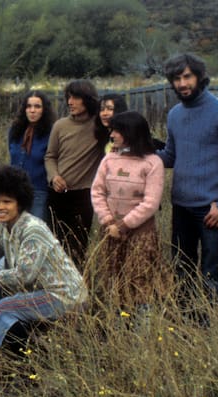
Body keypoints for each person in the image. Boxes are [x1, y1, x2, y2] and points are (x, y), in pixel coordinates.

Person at [158, 53, 218, 304]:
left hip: (210, 209)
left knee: (212, 271)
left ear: (199, 76)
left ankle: (209, 323)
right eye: (176, 79)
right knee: (182, 268)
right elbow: (170, 156)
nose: (182, 84)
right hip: (180, 205)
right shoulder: (175, 114)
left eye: (187, 76)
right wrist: (135, 154)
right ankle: (185, 320)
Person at [0, 166, 86, 353]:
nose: (0, 207)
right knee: (1, 303)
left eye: (7, 202)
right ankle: (24, 355)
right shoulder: (4, 227)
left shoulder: (32, 229)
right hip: (40, 293)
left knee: (5, 307)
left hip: (63, 295)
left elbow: (25, 275)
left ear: (20, 203)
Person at [90, 111, 166, 310]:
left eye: (117, 131)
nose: (112, 135)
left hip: (140, 234)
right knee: (113, 279)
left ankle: (141, 330)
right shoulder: (109, 159)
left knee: (140, 279)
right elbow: (97, 192)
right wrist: (108, 222)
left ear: (131, 132)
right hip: (110, 232)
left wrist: (123, 226)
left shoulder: (152, 162)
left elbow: (150, 202)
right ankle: (116, 325)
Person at [44, 79, 103, 268]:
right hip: (57, 194)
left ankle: (77, 291)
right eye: (68, 97)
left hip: (84, 196)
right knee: (55, 245)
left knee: (78, 248)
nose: (70, 102)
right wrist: (54, 177)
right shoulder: (60, 125)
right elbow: (50, 156)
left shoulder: (99, 125)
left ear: (88, 99)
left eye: (76, 98)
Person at [8, 91, 56, 221]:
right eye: (29, 106)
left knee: (35, 232)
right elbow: (12, 159)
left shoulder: (51, 133)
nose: (32, 110)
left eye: (37, 106)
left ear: (44, 109)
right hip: (15, 192)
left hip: (38, 192)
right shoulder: (15, 131)